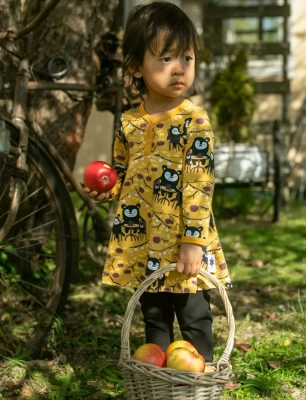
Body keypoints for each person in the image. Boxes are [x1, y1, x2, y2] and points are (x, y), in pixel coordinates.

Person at [84, 1, 232, 363]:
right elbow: (123, 172)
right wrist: (106, 189)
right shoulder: (129, 122)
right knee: (155, 316)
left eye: (186, 57)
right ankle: (160, 380)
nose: (179, 68)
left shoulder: (194, 121)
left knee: (194, 314)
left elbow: (200, 184)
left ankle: (200, 379)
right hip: (144, 242)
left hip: (184, 242)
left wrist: (193, 242)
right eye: (165, 59)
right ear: (136, 66)